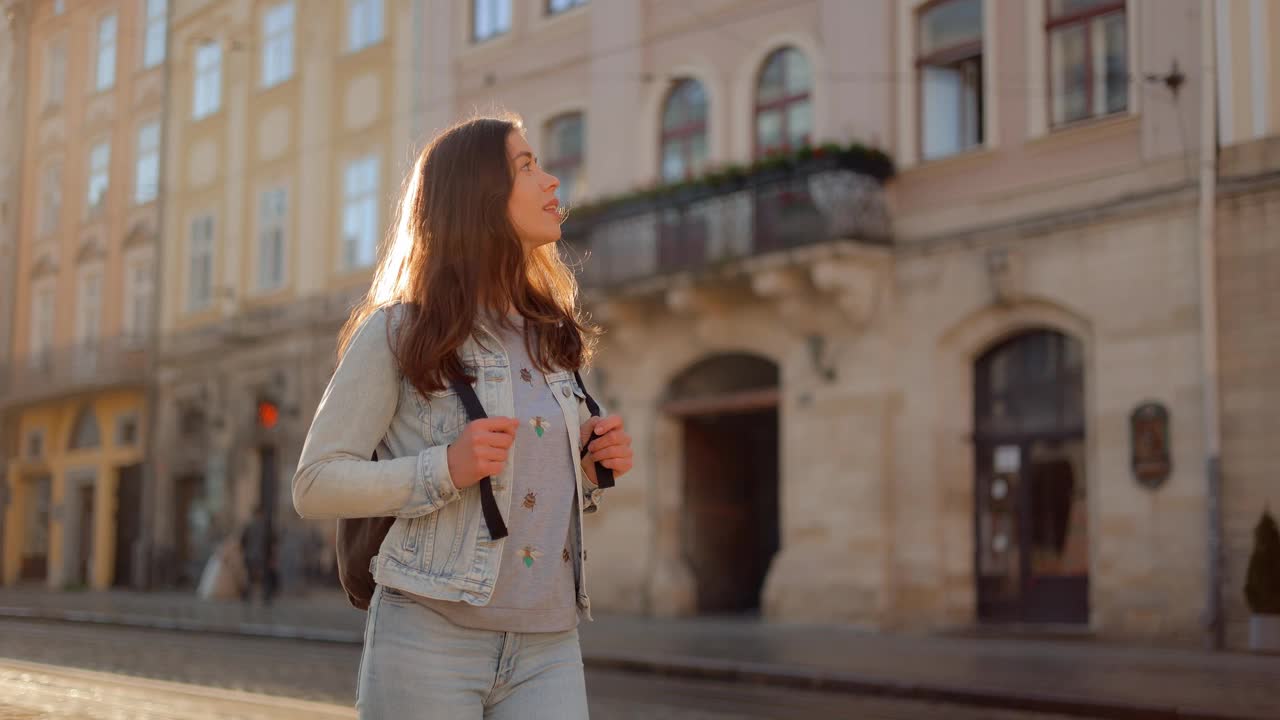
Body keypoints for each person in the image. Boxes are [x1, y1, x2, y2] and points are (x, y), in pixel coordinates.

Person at [292, 115, 634, 719]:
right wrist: (442, 469)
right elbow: (314, 484)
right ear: (478, 195)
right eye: (526, 166)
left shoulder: (553, 336)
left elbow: (523, 487)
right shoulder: (399, 331)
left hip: (549, 643)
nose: (553, 181)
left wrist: (586, 466)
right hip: (430, 636)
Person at [239, 506, 278, 605]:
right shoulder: (266, 527)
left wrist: (245, 551)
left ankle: (248, 596)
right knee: (264, 577)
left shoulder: (248, 526)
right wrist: (271, 556)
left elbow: (242, 541)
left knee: (250, 577)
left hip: (250, 555)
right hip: (262, 556)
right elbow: (272, 542)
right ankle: (266, 597)